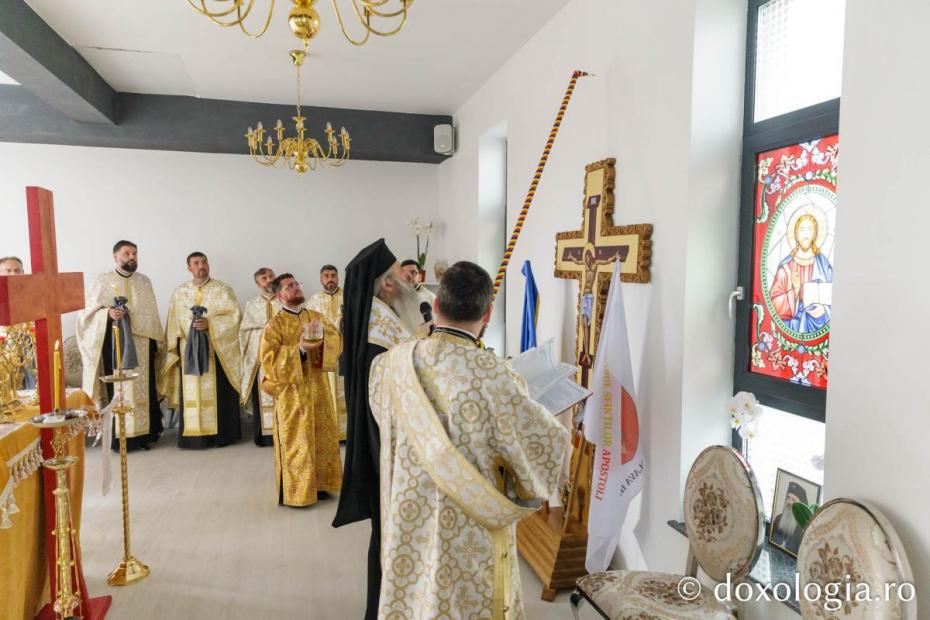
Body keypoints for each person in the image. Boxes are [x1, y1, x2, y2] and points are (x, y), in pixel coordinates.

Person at [371, 261, 569, 618]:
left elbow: (383, 418)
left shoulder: (390, 364)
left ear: (435, 304)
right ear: (487, 314)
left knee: (414, 592)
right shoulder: (496, 375)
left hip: (409, 511)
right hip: (470, 521)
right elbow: (541, 446)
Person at [332, 239, 430, 620]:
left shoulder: (379, 317)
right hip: (385, 448)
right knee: (390, 533)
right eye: (397, 276)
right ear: (387, 284)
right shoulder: (378, 330)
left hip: (384, 442)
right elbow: (391, 391)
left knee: (388, 533)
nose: (405, 282)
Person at [260, 274, 343, 507]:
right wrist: (301, 350)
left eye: (297, 284)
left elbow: (336, 340)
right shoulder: (274, 326)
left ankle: (322, 485)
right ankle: (298, 493)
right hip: (291, 395)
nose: (296, 288)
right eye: (290, 286)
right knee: (297, 441)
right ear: (280, 295)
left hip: (318, 389)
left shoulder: (316, 317)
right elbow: (268, 360)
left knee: (322, 435)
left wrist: (325, 341)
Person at [76, 241, 164, 451]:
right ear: (115, 256)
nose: (131, 257)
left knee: (144, 389)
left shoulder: (144, 282)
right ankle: (119, 438)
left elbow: (151, 315)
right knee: (117, 387)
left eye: (134, 253)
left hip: (142, 344)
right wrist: (107, 313)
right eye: (126, 253)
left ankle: (145, 436)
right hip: (113, 342)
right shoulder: (102, 281)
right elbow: (86, 315)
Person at [161, 252, 243, 449]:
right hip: (188, 350)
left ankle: (221, 436)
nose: (201, 266)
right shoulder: (180, 292)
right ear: (189, 268)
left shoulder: (223, 289)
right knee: (192, 392)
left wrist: (211, 324)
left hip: (216, 351)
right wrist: (182, 339)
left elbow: (234, 318)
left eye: (204, 262)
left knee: (219, 393)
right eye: (196, 263)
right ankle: (194, 438)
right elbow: (173, 322)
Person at [769, 212, 833, 333]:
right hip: (793, 326)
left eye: (810, 230)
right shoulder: (786, 268)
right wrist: (795, 291)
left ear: (815, 235)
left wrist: (824, 310)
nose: (806, 234)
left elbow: (837, 296)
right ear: (796, 235)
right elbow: (774, 304)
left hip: (819, 323)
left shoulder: (824, 266)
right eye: (802, 230)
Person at [239, 267, 280, 447]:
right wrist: (263, 334)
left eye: (271, 276)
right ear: (258, 284)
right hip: (260, 359)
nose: (269, 280)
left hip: (283, 358)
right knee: (262, 393)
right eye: (264, 278)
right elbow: (244, 332)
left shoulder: (285, 300)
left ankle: (286, 433)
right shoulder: (252, 304)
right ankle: (265, 436)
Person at [306, 264, 348, 440]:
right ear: (321, 279)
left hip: (345, 352)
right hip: (323, 353)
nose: (330, 279)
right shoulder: (313, 301)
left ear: (338, 278)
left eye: (333, 275)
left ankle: (346, 431)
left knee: (345, 390)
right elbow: (308, 326)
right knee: (326, 390)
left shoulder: (348, 296)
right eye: (326, 276)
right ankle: (329, 432)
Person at [0, 256, 37, 389]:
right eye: (8, 270)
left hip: (29, 345)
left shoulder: (34, 293)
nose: (13, 274)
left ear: (23, 273)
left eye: (17, 270)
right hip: (4, 347)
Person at [771, 481, 809, 555]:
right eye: (788, 498)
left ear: (799, 505)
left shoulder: (802, 529)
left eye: (793, 500)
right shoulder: (778, 519)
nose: (789, 502)